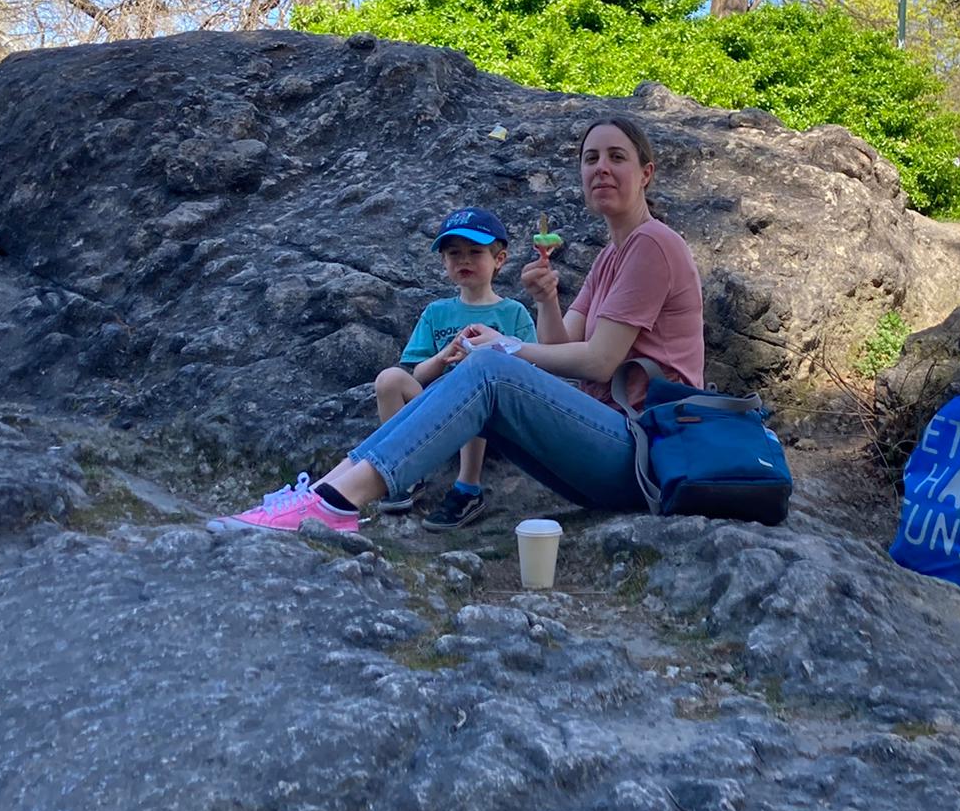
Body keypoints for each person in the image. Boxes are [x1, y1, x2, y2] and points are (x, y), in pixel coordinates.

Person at [208, 115, 705, 535]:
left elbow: (600, 361)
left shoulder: (653, 244)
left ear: (646, 173)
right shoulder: (610, 258)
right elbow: (564, 352)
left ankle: (336, 504)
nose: (601, 168)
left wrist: (505, 347)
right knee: (483, 373)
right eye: (590, 158)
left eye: (617, 157)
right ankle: (321, 492)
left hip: (643, 453)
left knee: (488, 367)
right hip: (605, 450)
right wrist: (546, 300)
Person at [370, 207, 537, 529]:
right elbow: (415, 374)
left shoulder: (513, 313)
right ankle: (403, 471)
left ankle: (468, 487)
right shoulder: (437, 312)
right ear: (444, 262)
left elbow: (532, 368)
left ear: (499, 259)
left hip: (491, 413)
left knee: (471, 383)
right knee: (389, 379)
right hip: (435, 406)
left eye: (475, 252)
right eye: (454, 253)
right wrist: (445, 354)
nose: (464, 261)